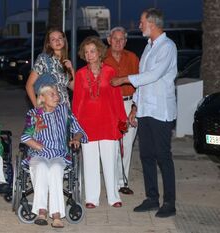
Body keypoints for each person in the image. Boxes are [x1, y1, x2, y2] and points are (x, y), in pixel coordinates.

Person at [111, 8, 177, 218]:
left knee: (163, 157)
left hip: (160, 111)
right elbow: (143, 82)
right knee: (146, 155)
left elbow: (153, 75)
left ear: (152, 23)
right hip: (145, 110)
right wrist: (135, 107)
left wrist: (124, 79)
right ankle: (151, 198)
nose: (139, 26)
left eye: (141, 22)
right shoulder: (149, 47)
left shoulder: (168, 46)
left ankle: (169, 202)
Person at [21, 84, 87, 228]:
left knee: (56, 169)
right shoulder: (34, 114)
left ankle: (57, 215)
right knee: (42, 167)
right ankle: (42, 212)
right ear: (42, 98)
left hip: (59, 154)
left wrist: (76, 138)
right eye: (52, 94)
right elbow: (25, 137)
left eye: (57, 94)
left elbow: (79, 129)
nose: (57, 97)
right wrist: (39, 146)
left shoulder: (64, 111)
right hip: (39, 154)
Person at [72, 36, 127, 209]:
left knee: (110, 161)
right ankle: (92, 198)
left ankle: (113, 197)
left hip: (108, 123)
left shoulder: (110, 71)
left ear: (99, 52)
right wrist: (75, 127)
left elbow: (116, 98)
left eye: (92, 51)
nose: (89, 55)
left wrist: (122, 121)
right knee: (90, 162)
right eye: (86, 52)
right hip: (87, 125)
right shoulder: (80, 74)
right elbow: (77, 102)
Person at [104, 26, 139, 195]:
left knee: (127, 143)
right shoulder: (102, 58)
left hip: (129, 104)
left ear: (125, 41)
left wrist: (135, 107)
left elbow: (141, 84)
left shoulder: (132, 58)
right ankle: (113, 180)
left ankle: (123, 181)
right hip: (111, 106)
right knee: (114, 144)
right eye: (115, 39)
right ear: (109, 40)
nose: (118, 42)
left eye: (121, 39)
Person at [25, 28, 75, 107]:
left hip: (65, 110)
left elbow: (74, 87)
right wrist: (37, 107)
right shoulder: (44, 59)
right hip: (49, 110)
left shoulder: (65, 62)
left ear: (64, 41)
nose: (57, 41)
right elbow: (29, 85)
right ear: (49, 44)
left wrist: (71, 70)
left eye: (60, 38)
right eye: (53, 39)